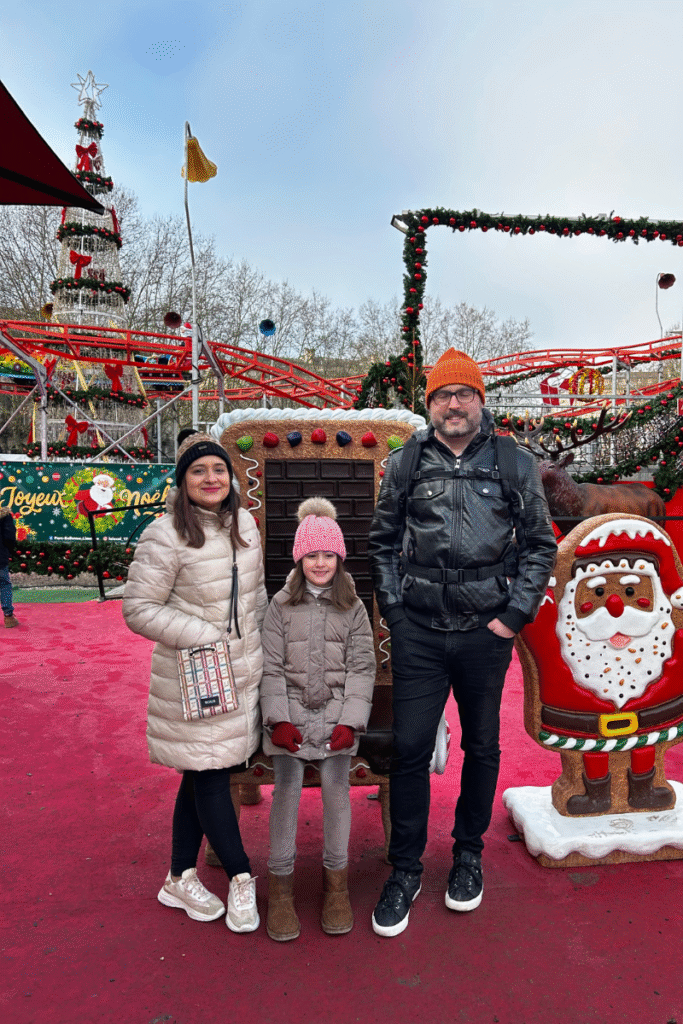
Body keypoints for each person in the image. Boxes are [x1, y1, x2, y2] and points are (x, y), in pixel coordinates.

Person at [368, 348, 557, 937]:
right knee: (409, 748)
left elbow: (539, 545)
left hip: (485, 631)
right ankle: (405, 868)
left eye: (464, 394)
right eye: (443, 395)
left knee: (481, 746)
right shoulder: (405, 463)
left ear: (480, 401)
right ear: (429, 405)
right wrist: (398, 614)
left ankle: (467, 855)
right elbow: (382, 542)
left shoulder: (511, 461)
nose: (454, 404)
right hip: (419, 631)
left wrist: (513, 615)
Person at [123, 433, 267, 933]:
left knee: (198, 770)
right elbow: (137, 609)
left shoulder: (245, 525)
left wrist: (265, 655)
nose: (211, 479)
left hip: (243, 673)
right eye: (199, 471)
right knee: (210, 773)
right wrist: (205, 636)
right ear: (183, 481)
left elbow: (257, 597)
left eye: (219, 470)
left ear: (231, 479)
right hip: (197, 674)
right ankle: (242, 875)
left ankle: (179, 874)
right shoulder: (165, 535)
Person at [260, 497, 376, 941]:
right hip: (287, 715)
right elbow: (271, 668)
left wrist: (350, 720)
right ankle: (282, 889)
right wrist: (277, 719)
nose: (321, 563)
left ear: (340, 558)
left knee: (335, 786)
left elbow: (362, 668)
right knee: (287, 787)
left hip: (336, 715)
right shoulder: (280, 605)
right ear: (300, 558)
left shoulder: (354, 607)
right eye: (313, 555)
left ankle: (336, 886)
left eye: (329, 555)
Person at [0, 504, 19, 628]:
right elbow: (9, 536)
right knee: (4, 584)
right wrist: (10, 550)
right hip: (0, 556)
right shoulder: (4, 516)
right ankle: (8, 616)